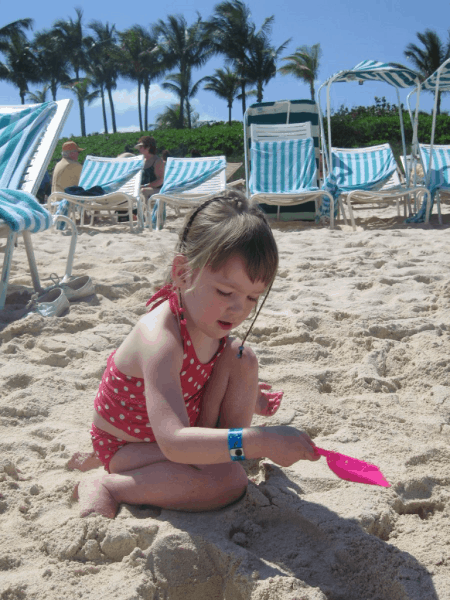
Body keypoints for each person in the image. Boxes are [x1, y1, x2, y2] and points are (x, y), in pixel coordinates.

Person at [73, 191, 319, 519]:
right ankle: (110, 486)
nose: (238, 308)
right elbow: (174, 441)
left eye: (251, 298)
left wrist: (250, 397)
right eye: (226, 292)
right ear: (184, 273)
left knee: (242, 357)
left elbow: (205, 373)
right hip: (129, 446)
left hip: (173, 431)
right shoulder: (160, 338)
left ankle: (223, 454)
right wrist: (261, 441)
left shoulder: (207, 318)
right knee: (230, 480)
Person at [135, 136, 165, 202]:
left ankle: (141, 211)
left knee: (143, 191)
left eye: (141, 147)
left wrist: (145, 186)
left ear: (148, 147)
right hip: (143, 188)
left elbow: (160, 180)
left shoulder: (157, 161)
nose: (139, 149)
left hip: (157, 189)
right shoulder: (142, 161)